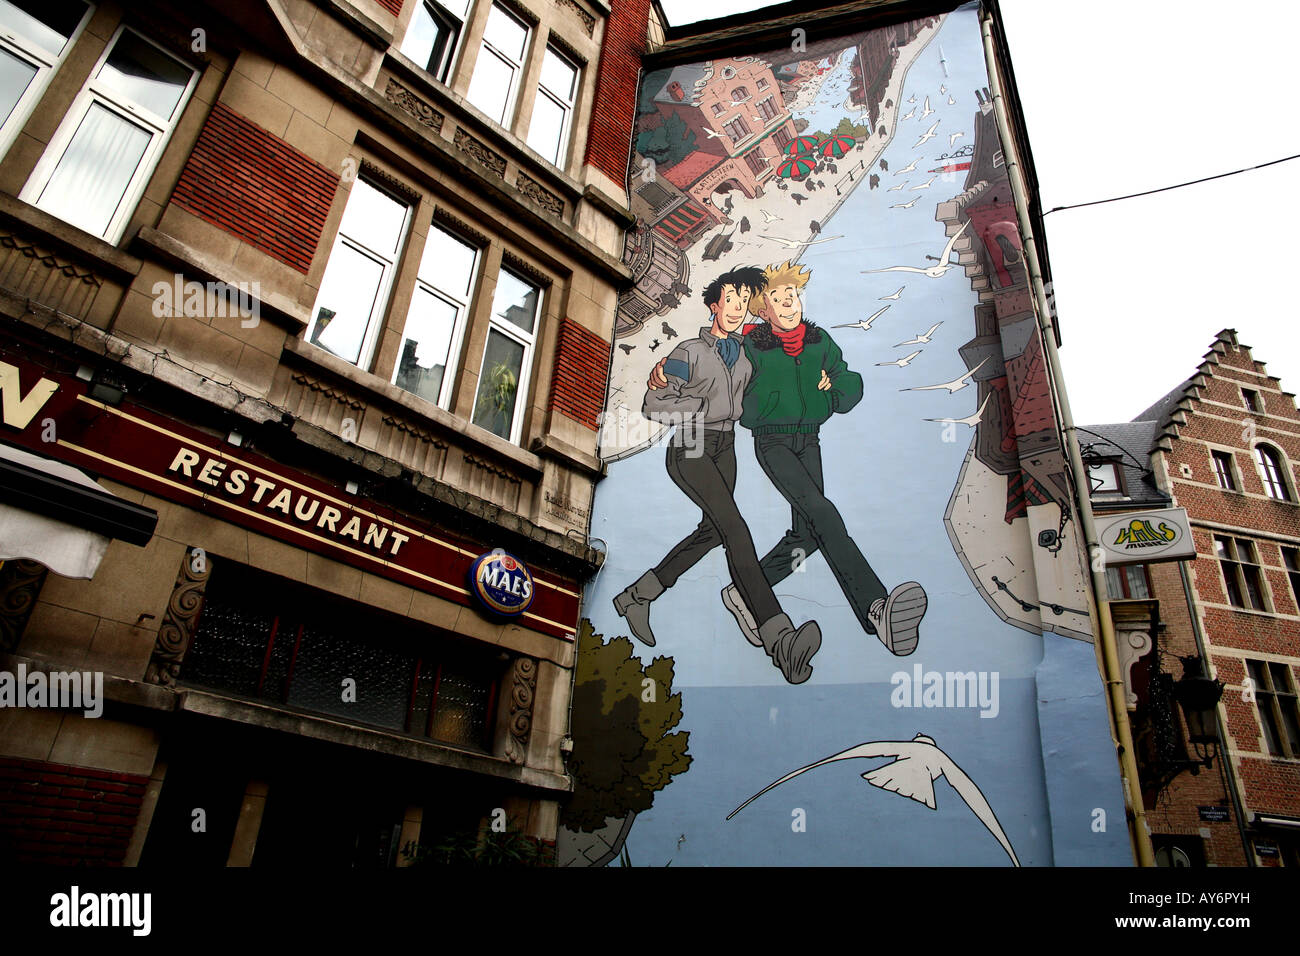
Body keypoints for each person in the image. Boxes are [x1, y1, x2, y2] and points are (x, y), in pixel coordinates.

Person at [613, 267, 822, 684]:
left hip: (726, 447)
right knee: (737, 530)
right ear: (714, 305)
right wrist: (695, 408)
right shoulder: (689, 351)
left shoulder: (747, 352)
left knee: (714, 532)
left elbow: (780, 356)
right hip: (691, 443)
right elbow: (654, 404)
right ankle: (778, 636)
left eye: (744, 301)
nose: (738, 308)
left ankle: (637, 595)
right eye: (731, 300)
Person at [736, 260, 926, 655]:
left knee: (807, 536)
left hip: (810, 439)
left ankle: (745, 593)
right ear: (762, 308)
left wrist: (831, 393)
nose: (788, 302)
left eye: (793, 295)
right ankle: (876, 607)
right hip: (773, 442)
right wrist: (762, 404)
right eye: (777, 297)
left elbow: (848, 380)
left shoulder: (819, 341)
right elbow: (738, 398)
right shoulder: (751, 346)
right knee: (824, 514)